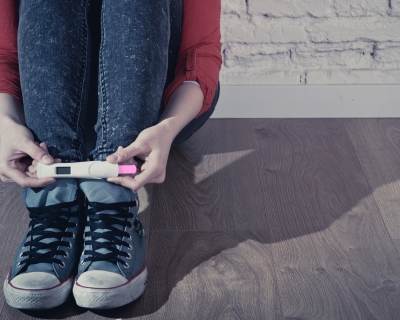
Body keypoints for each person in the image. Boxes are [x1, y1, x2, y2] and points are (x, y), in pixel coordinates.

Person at [0, 0, 221, 309]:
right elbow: (5, 56)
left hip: (156, 108)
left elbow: (200, 55)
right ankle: (53, 205)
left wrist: (168, 128)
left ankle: (111, 203)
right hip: (50, 107)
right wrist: (5, 123)